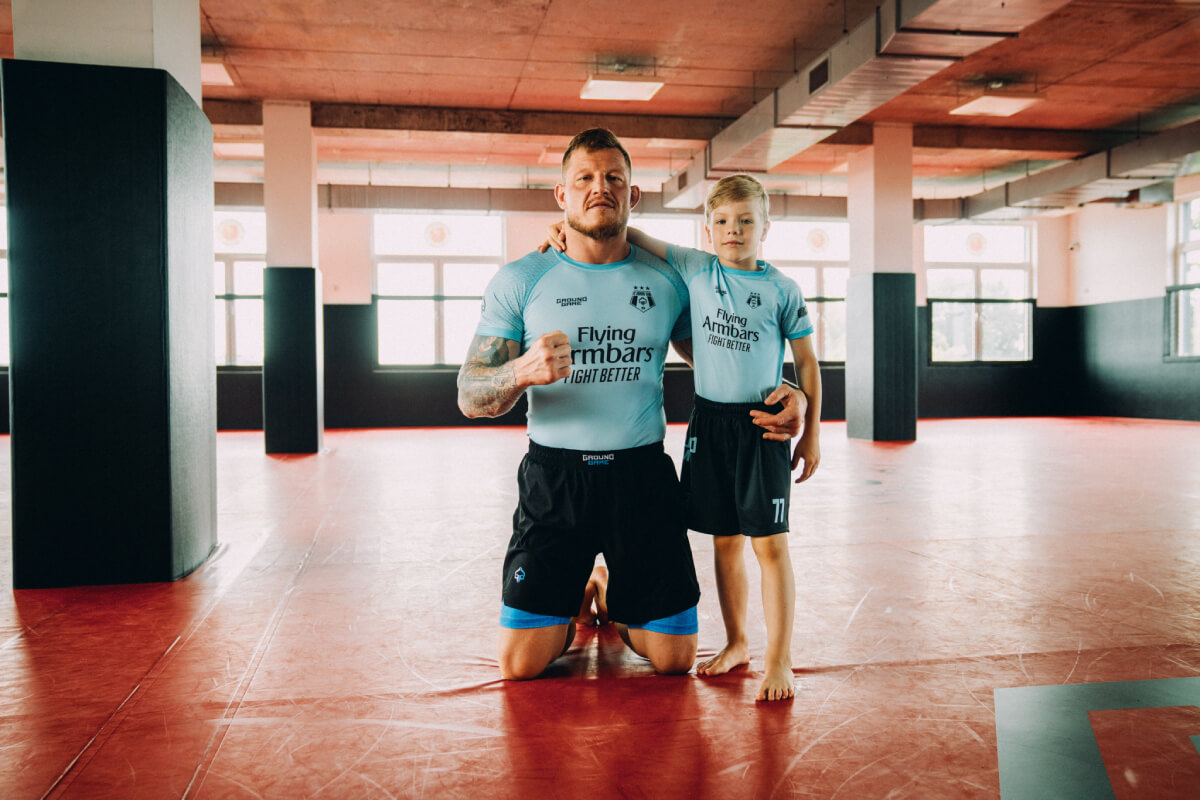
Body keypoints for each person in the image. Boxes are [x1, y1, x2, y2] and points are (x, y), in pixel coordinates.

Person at [457, 129, 804, 681]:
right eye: (585, 179)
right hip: (556, 480)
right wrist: (522, 370)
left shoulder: (668, 277)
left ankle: (610, 584)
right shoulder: (521, 279)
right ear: (561, 196)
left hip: (640, 477)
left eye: (613, 177)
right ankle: (581, 586)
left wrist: (796, 393)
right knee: (520, 665)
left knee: (673, 660)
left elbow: (723, 352)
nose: (600, 188)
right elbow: (470, 395)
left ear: (633, 196)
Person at [545, 174, 821, 701]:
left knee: (770, 546)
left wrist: (811, 434)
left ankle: (779, 659)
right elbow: (633, 234)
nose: (733, 231)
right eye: (721, 222)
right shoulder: (696, 268)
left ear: (766, 226)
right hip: (710, 424)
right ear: (707, 229)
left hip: (761, 426)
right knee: (723, 540)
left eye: (745, 221)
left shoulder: (782, 289)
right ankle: (737, 641)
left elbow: (807, 362)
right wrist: (565, 228)